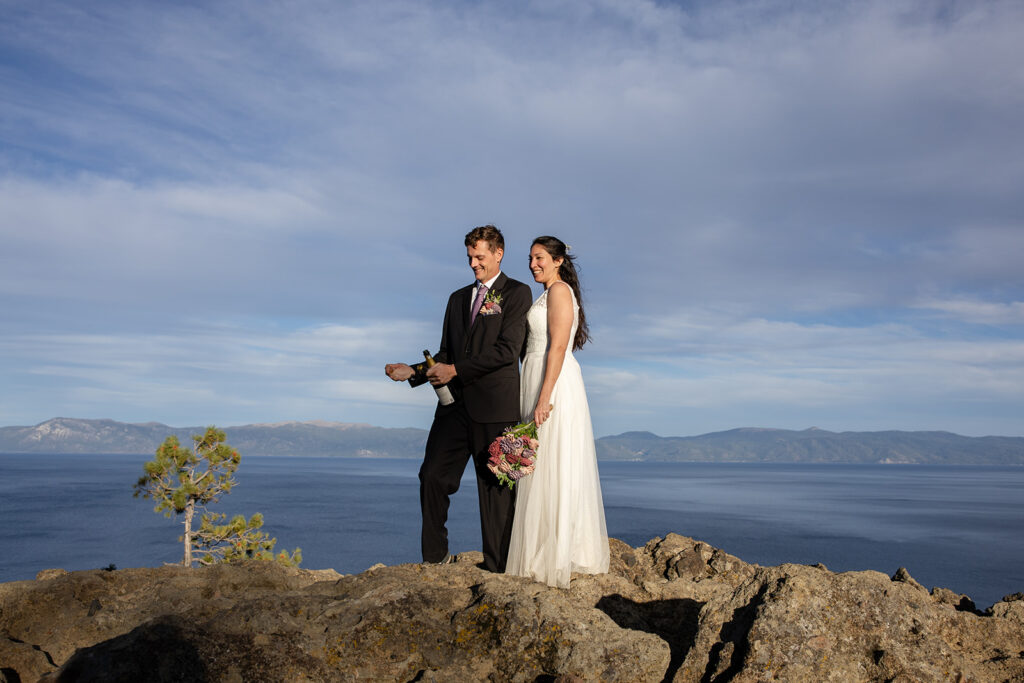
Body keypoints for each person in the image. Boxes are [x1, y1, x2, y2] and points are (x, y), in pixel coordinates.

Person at [385, 225, 532, 572]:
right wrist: (415, 372)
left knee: (497, 489)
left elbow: (507, 352)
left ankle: (499, 569)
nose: (473, 264)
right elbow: (446, 354)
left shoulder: (517, 293)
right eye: (470, 257)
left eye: (480, 257)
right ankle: (435, 559)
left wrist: (456, 370)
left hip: (499, 408)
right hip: (452, 407)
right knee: (432, 476)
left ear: (499, 253)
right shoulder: (456, 298)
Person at [505, 236, 609, 588]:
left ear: (558, 261)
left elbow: (560, 345)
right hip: (537, 375)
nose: (533, 264)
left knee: (553, 462)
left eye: (540, 258)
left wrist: (544, 395)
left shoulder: (560, 291)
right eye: (531, 258)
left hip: (553, 380)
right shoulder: (547, 294)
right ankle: (541, 547)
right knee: (542, 463)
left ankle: (556, 553)